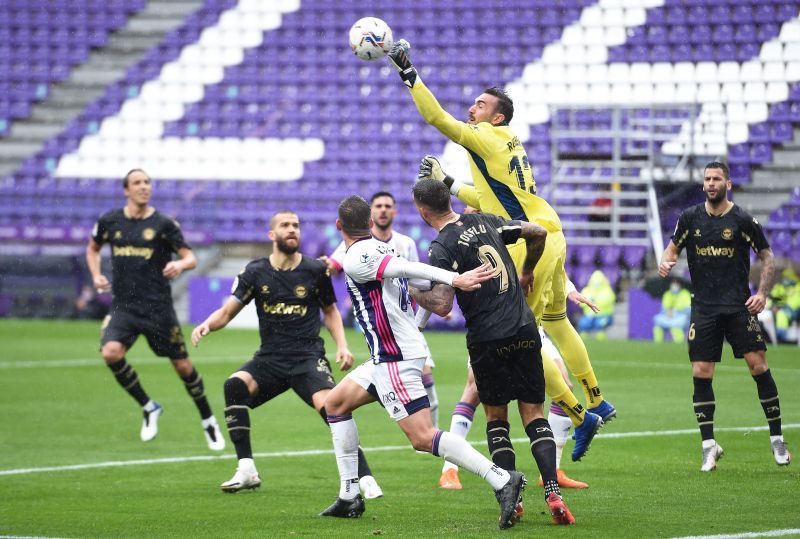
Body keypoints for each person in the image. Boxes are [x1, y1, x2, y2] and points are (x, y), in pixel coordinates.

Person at [387, 40, 611, 441]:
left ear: (497, 116)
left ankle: (580, 416)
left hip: (528, 241)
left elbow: (437, 118)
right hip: (549, 230)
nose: (472, 110)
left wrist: (409, 73)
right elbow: (490, 198)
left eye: (480, 106)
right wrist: (449, 181)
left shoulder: (485, 137)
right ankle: (597, 398)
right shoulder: (508, 141)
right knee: (557, 322)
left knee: (523, 335)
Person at [320, 195, 528, 530]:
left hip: (394, 357)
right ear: (371, 222)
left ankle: (502, 479)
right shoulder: (382, 247)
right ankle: (349, 496)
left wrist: (453, 280)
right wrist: (418, 322)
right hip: (387, 355)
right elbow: (418, 284)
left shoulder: (358, 256)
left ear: (338, 226)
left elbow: (408, 271)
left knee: (422, 437)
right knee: (335, 405)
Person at [411, 179, 575, 525]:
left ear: (422, 211)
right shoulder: (485, 220)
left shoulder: (442, 246)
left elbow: (441, 305)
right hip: (525, 328)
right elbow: (538, 232)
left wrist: (412, 290)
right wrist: (527, 269)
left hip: (488, 338)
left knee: (497, 418)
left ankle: (513, 498)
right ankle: (552, 492)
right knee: (534, 412)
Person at [191, 210, 382, 497]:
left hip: (307, 358)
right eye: (285, 225)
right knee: (234, 386)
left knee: (333, 408)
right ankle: (246, 469)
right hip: (269, 360)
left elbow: (330, 310)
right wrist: (208, 324)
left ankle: (365, 477)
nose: (292, 229)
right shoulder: (255, 272)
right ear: (272, 235)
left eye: (296, 225)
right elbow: (228, 310)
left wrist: (342, 345)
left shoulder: (315, 270)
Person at [659, 161, 791, 471]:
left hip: (737, 307)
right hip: (704, 308)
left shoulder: (742, 219)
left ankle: (777, 438)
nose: (711, 183)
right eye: (707, 179)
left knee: (758, 365)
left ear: (727, 184)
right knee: (701, 372)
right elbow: (671, 250)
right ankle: (708, 445)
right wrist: (667, 263)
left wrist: (762, 293)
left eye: (717, 178)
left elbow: (767, 257)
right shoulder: (689, 218)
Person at [85, 169, 224, 450]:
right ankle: (149, 407)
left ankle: (208, 419)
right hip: (124, 306)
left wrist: (180, 264)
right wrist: (96, 274)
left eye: (147, 182)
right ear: (126, 190)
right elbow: (92, 248)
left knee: (183, 367)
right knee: (111, 353)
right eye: (137, 183)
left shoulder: (163, 224)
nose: (144, 187)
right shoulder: (109, 221)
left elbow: (191, 257)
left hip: (157, 308)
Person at [322, 191, 440, 428]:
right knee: (404, 380)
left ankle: (431, 433)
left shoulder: (404, 243)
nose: (384, 209)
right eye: (379, 206)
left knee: (425, 380)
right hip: (384, 329)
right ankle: (427, 433)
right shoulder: (355, 247)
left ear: (394, 212)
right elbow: (333, 267)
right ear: (371, 215)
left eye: (388, 205)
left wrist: (434, 298)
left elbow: (417, 279)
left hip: (406, 324)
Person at [576, 270, 616, 341]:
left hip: (603, 316)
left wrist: (593, 301)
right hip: (589, 316)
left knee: (601, 324)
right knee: (583, 323)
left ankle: (601, 340)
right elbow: (581, 302)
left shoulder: (607, 290)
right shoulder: (586, 290)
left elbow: (609, 300)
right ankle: (584, 342)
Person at [652, 278, 692, 343]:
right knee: (657, 326)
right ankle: (658, 345)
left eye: (676, 283)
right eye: (673, 283)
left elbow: (688, 310)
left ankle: (678, 344)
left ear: (680, 285)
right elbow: (663, 310)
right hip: (668, 317)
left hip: (680, 317)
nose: (674, 285)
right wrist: (668, 312)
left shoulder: (685, 294)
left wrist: (676, 312)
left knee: (675, 327)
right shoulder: (667, 294)